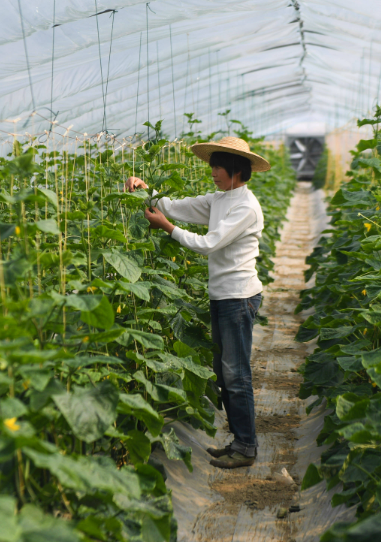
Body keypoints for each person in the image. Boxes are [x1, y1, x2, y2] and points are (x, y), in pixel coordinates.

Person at [124, 136, 269, 469]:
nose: (213, 172)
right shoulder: (220, 199)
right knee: (223, 371)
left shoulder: (246, 207)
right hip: (222, 295)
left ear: (236, 170)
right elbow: (176, 205)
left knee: (236, 374)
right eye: (212, 165)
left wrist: (167, 228)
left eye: (218, 166)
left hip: (239, 296)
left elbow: (209, 244)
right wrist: (147, 191)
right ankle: (238, 441)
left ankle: (246, 445)